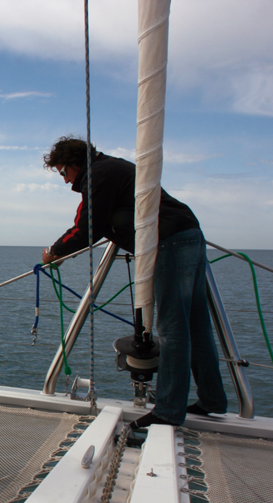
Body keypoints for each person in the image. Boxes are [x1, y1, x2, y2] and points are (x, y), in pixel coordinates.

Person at [41, 136, 227, 429]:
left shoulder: (99, 175)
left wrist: (54, 253)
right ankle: (212, 400)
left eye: (64, 172)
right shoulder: (113, 169)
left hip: (168, 243)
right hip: (189, 234)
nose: (65, 181)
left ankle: (167, 412)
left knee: (172, 330)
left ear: (75, 163)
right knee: (197, 326)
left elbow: (89, 227)